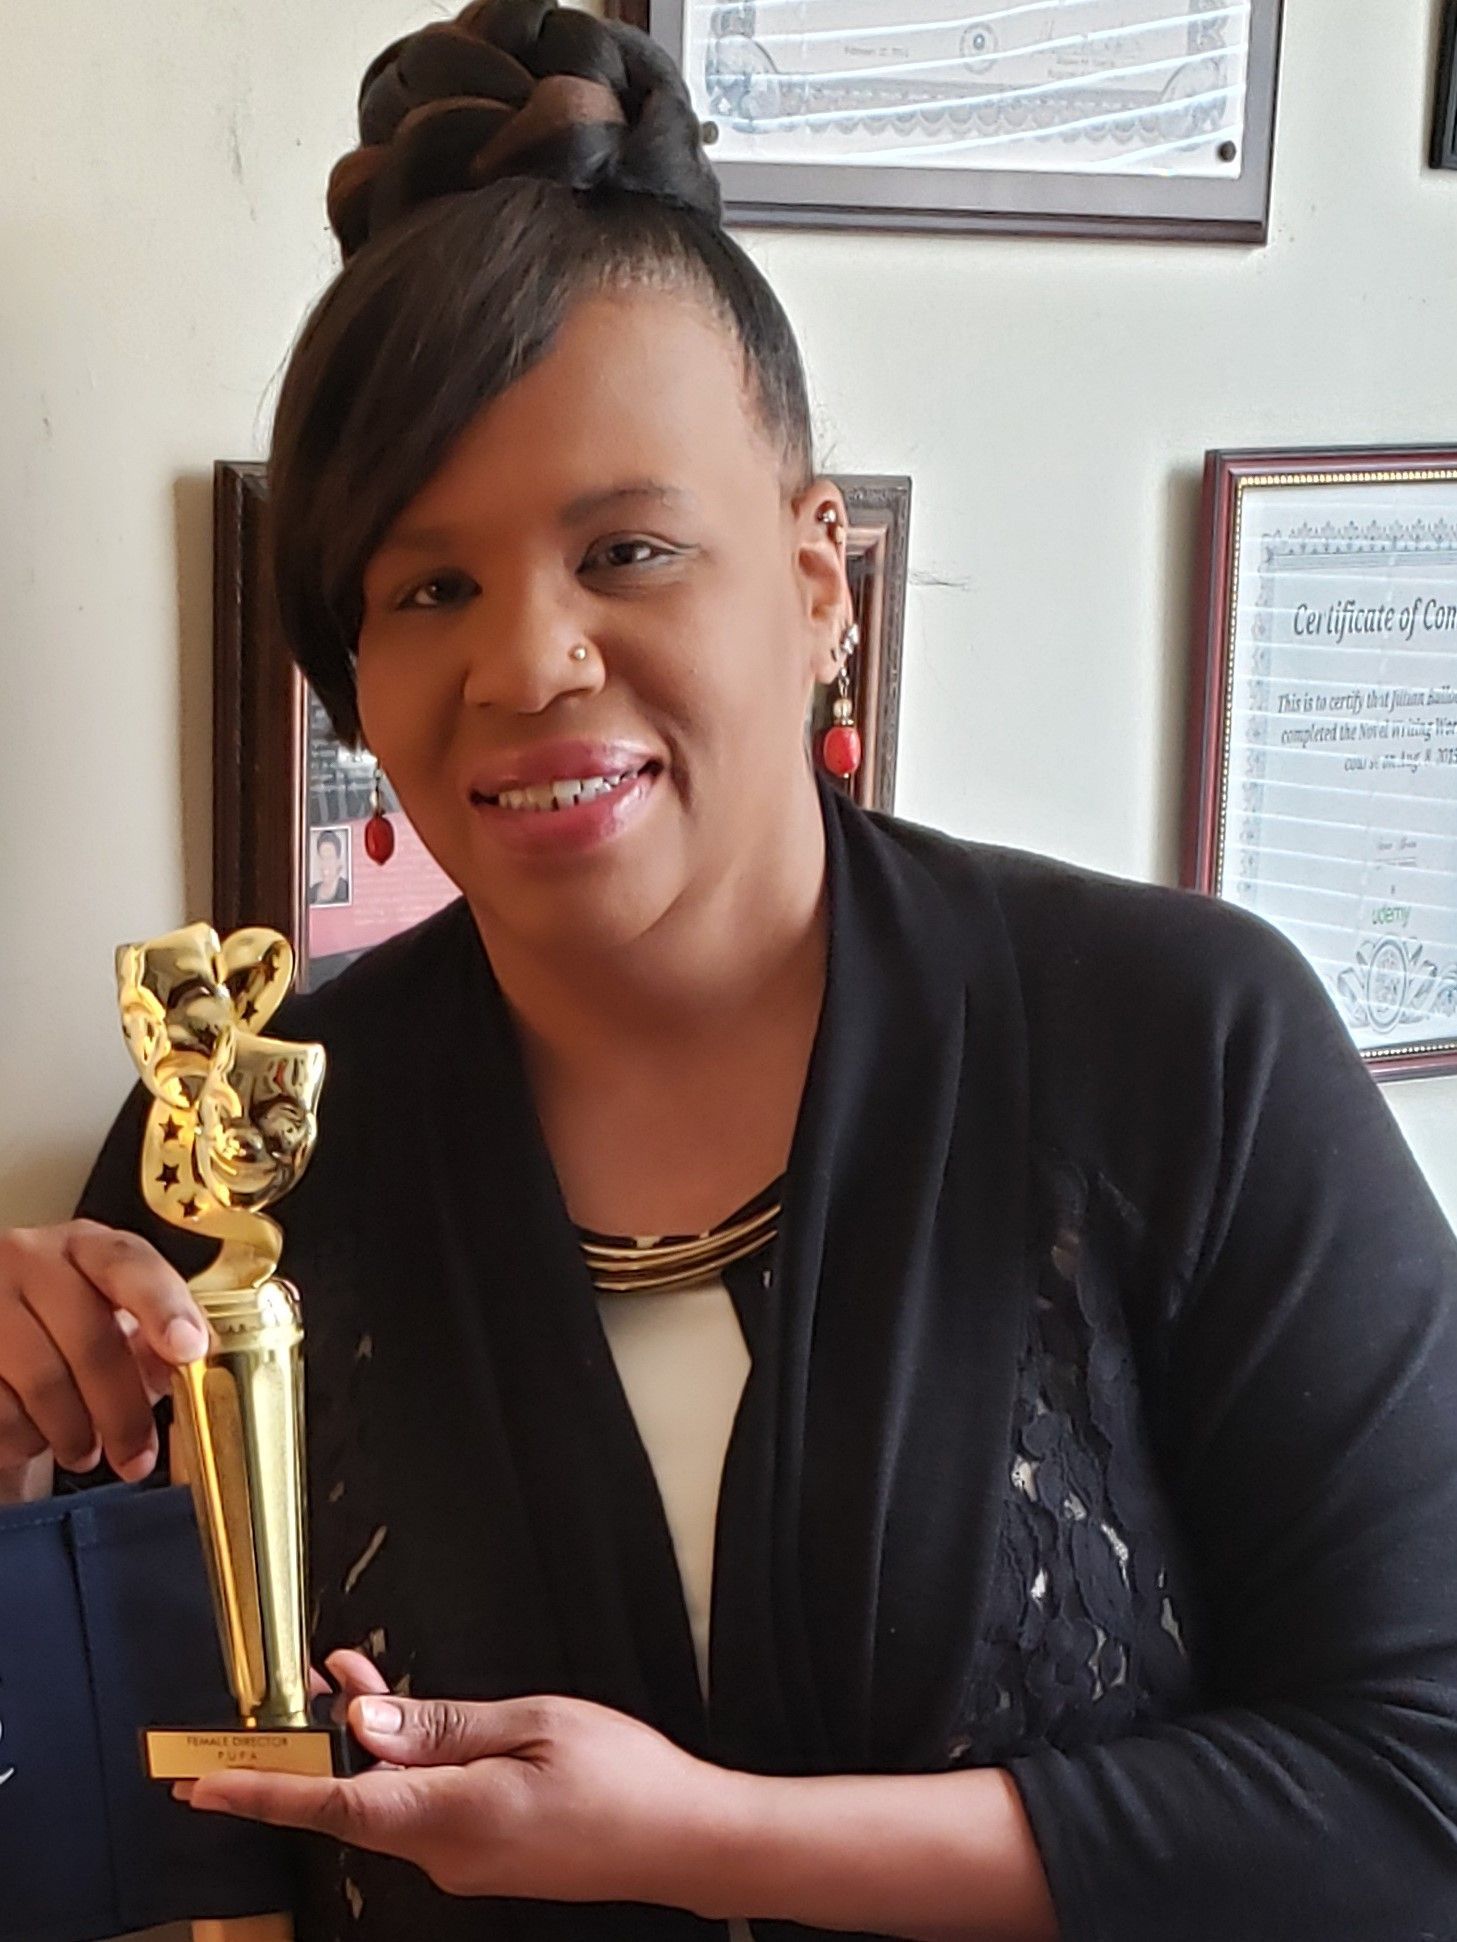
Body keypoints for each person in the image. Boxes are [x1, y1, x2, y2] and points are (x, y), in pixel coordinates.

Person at [4, 2, 1457, 1936]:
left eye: (625, 549)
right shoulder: (242, 1144)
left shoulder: (1181, 1046)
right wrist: (28, 1462)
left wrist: (702, 1835)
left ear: (814, 578)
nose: (525, 659)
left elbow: (1415, 1794)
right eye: (427, 586)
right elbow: (140, 1825)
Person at [309, 828, 352, 905]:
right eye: (322, 858)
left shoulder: (347, 890)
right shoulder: (310, 892)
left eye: (329, 858)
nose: (325, 864)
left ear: (338, 861)